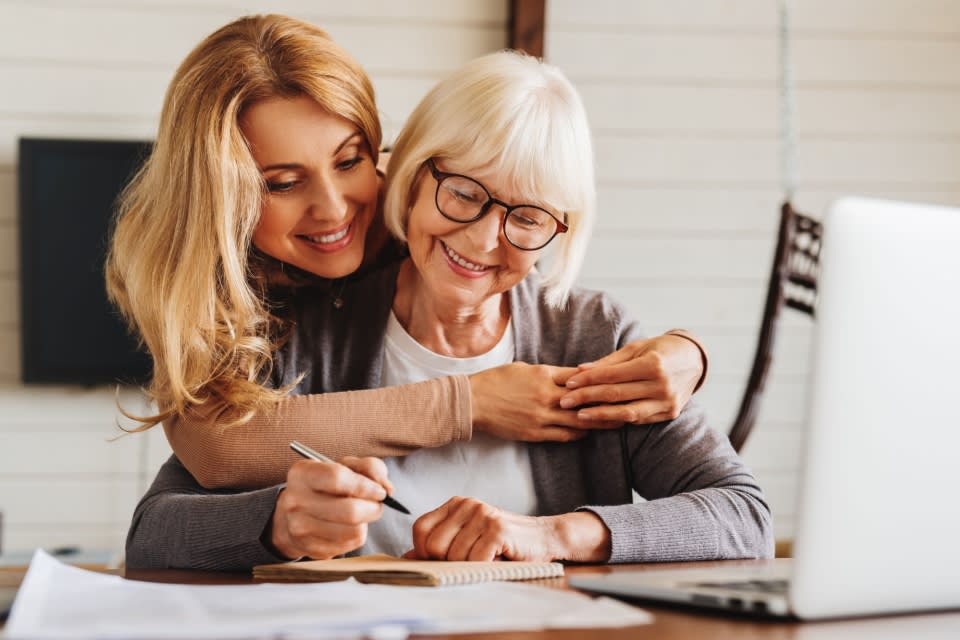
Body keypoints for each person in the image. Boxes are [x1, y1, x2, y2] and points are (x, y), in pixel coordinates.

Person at [125, 47, 772, 570]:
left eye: (529, 216)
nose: (484, 239)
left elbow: (746, 519)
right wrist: (277, 523)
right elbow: (158, 525)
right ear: (413, 172)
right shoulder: (304, 316)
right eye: (464, 193)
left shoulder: (589, 335)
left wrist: (553, 535)